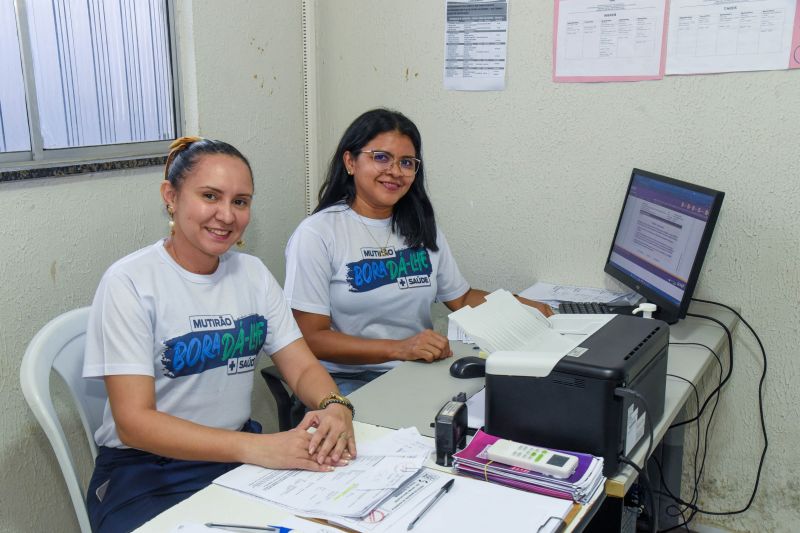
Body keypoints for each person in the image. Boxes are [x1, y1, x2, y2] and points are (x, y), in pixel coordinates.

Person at [82, 137, 356, 533]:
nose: (226, 215)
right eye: (210, 196)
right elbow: (133, 422)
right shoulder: (129, 282)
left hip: (237, 456)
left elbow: (301, 368)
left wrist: (336, 406)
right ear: (170, 197)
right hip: (146, 472)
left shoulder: (253, 275)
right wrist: (259, 448)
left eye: (241, 202)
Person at [284, 109, 552, 395]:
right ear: (350, 161)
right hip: (346, 381)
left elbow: (460, 297)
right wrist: (398, 349)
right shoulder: (318, 234)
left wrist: (519, 306)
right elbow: (310, 338)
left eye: (406, 162)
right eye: (381, 157)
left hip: (415, 371)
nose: (395, 171)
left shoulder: (419, 226)